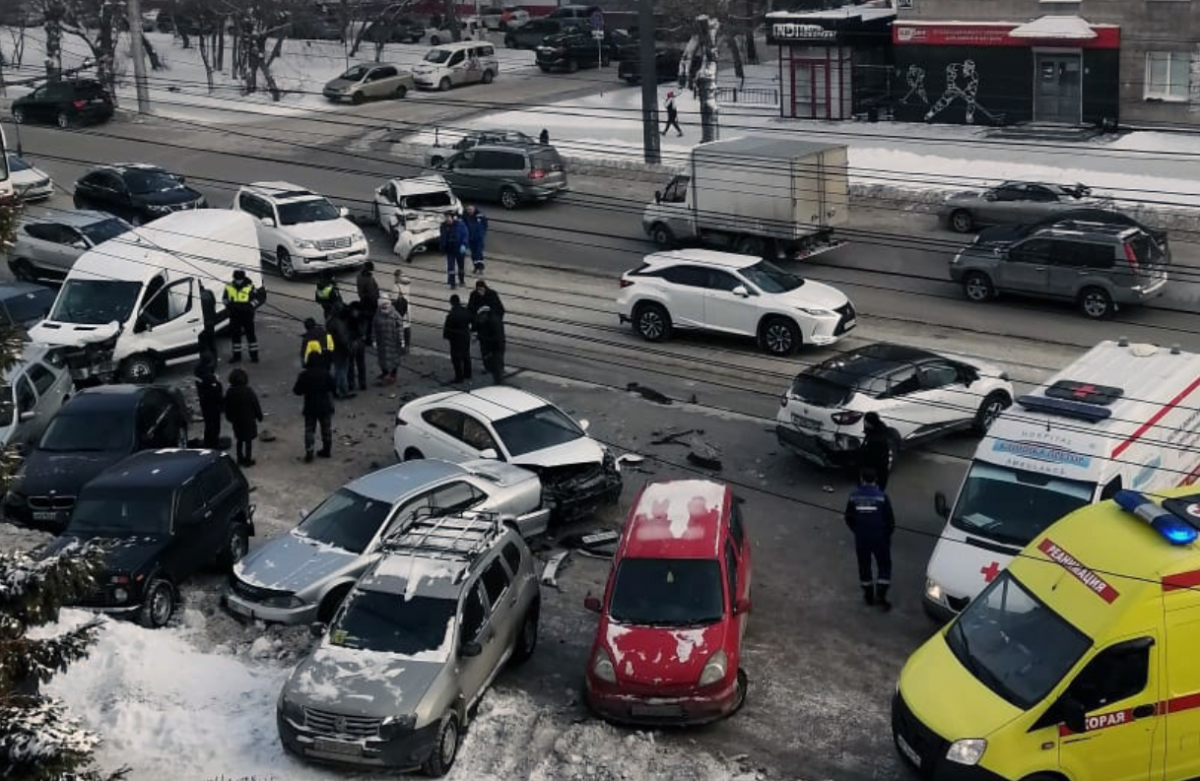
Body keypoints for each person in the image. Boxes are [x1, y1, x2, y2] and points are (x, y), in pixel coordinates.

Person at [844, 469, 896, 610]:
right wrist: (886, 535)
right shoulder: (882, 497)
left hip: (862, 538)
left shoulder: (853, 496)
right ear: (875, 480)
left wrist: (858, 531)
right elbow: (890, 521)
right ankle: (881, 594)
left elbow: (848, 518)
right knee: (884, 565)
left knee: (864, 565)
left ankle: (868, 596)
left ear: (862, 479)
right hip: (880, 538)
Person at [293, 356, 335, 463]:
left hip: (310, 406)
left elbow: (297, 391)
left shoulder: (304, 375)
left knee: (309, 430)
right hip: (325, 405)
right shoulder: (326, 373)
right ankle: (327, 449)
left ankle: (309, 452)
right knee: (326, 429)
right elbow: (333, 387)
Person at [224, 367, 263, 467]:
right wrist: (259, 416)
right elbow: (255, 404)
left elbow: (227, 406)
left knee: (239, 440)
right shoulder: (248, 391)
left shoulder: (230, 392)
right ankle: (248, 459)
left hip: (237, 421)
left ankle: (239, 458)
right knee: (248, 441)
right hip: (248, 420)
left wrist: (229, 418)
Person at [224, 269, 262, 363]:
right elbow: (225, 299)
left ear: (243, 278)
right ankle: (236, 357)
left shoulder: (250, 287)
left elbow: (258, 299)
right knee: (235, 337)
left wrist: (250, 306)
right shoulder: (229, 287)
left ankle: (254, 356)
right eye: (236, 279)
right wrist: (230, 306)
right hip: (234, 315)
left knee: (251, 336)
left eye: (239, 279)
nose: (238, 281)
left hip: (247, 315)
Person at [194, 353, 223, 450]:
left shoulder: (198, 371)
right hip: (212, 405)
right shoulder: (209, 378)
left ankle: (208, 442)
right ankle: (214, 444)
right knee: (214, 425)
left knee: (209, 425)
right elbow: (216, 392)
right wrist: (217, 382)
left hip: (204, 402)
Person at [373, 297, 405, 385]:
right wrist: (374, 339)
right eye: (382, 306)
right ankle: (385, 373)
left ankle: (393, 375)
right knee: (382, 359)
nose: (384, 307)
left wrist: (401, 339)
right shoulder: (377, 314)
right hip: (382, 342)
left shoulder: (395, 314)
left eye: (386, 305)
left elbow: (400, 328)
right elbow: (374, 327)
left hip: (393, 341)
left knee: (394, 360)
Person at [443, 294, 473, 383]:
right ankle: (468, 374)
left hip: (455, 339)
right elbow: (472, 320)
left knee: (456, 358)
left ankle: (459, 377)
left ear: (451, 303)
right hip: (465, 336)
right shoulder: (466, 311)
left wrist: (447, 336)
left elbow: (447, 329)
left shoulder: (451, 315)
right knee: (466, 355)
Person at [326, 307, 355, 399]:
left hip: (334, 349)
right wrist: (350, 348)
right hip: (341, 350)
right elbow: (344, 339)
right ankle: (342, 390)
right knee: (342, 371)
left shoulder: (329, 322)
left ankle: (336, 389)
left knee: (338, 370)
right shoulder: (339, 324)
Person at [474, 303, 505, 384]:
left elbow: (494, 337)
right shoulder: (491, 319)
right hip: (496, 347)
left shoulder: (493, 322)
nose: (480, 318)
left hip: (495, 348)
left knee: (496, 366)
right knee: (495, 366)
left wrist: (483, 340)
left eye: (481, 316)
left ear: (485, 314)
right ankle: (497, 380)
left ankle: (498, 383)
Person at [859, 412, 892, 490]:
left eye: (865, 421)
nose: (864, 423)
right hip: (880, 469)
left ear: (869, 423)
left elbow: (871, 455)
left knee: (874, 490)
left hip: (875, 471)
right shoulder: (879, 430)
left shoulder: (876, 440)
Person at [439, 212, 469, 290]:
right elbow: (442, 237)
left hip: (459, 249)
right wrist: (442, 247)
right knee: (451, 267)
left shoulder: (460, 225)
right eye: (445, 217)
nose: (447, 219)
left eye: (448, 217)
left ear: (452, 218)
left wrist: (464, 244)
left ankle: (461, 281)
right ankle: (452, 283)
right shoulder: (443, 226)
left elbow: (465, 235)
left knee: (461, 267)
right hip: (450, 249)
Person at [343, 302, 369, 392]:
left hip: (357, 342)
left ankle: (358, 383)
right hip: (354, 342)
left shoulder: (357, 319)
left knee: (357, 363)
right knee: (354, 364)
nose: (355, 313)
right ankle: (355, 383)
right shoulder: (362, 319)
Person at [356, 262, 380, 347]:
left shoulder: (359, 276)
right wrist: (376, 304)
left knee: (364, 321)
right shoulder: (369, 279)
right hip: (370, 304)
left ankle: (362, 336)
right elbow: (372, 294)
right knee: (371, 322)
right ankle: (369, 340)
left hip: (363, 301)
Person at [463, 204, 489, 276]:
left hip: (479, 238)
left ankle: (480, 267)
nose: (470, 211)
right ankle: (475, 266)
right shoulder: (465, 217)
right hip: (470, 238)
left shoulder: (480, 216)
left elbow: (485, 224)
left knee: (479, 252)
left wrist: (482, 233)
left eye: (471, 209)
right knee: (473, 253)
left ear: (474, 209)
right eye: (468, 209)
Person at [392, 269, 412, 352]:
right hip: (407, 309)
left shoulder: (396, 286)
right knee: (407, 328)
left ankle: (401, 347)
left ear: (397, 277)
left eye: (395, 277)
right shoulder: (407, 284)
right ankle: (407, 346)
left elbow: (393, 300)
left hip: (400, 311)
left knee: (400, 330)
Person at [198, 285, 218, 361]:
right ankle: (214, 359)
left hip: (202, 323)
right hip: (211, 321)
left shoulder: (195, 296)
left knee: (203, 345)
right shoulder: (209, 292)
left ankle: (206, 361)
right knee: (212, 343)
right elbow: (214, 303)